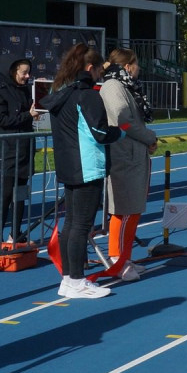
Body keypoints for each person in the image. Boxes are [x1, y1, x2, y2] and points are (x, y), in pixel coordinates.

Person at [39, 44, 123, 299]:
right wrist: (120, 132)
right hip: (87, 165)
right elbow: (99, 132)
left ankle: (69, 278)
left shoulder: (60, 92)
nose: (100, 75)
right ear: (90, 68)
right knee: (80, 225)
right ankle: (76, 280)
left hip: (68, 164)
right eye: (98, 70)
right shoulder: (86, 95)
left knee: (71, 225)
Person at [96, 48, 157, 282]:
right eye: (136, 63)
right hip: (123, 155)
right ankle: (116, 259)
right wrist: (148, 137)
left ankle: (125, 257)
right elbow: (124, 121)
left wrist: (145, 139)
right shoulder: (113, 87)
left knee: (133, 209)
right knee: (122, 209)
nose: (138, 68)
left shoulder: (126, 87)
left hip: (133, 154)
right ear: (128, 66)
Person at [0, 59, 38, 245]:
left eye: (29, 72)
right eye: (24, 72)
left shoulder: (25, 89)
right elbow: (4, 121)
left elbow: (28, 114)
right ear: (14, 71)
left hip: (25, 149)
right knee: (5, 195)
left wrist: (35, 111)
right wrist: (27, 115)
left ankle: (16, 234)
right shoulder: (3, 90)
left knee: (20, 195)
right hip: (8, 152)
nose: (27, 76)